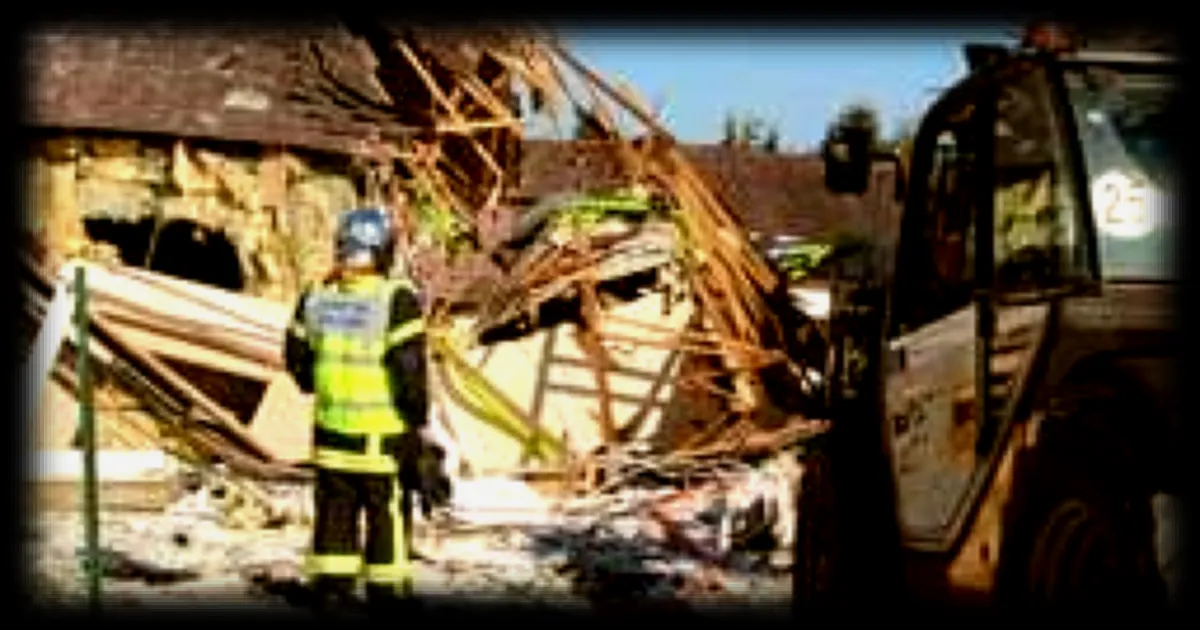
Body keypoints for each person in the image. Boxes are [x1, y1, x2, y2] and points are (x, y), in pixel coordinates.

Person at [283, 206, 430, 613]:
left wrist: (320, 386)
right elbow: (410, 369)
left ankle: (332, 589)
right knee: (385, 515)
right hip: (381, 437)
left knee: (333, 510)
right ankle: (387, 596)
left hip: (330, 433)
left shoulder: (316, 297)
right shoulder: (395, 299)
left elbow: (295, 357)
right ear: (383, 251)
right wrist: (417, 422)